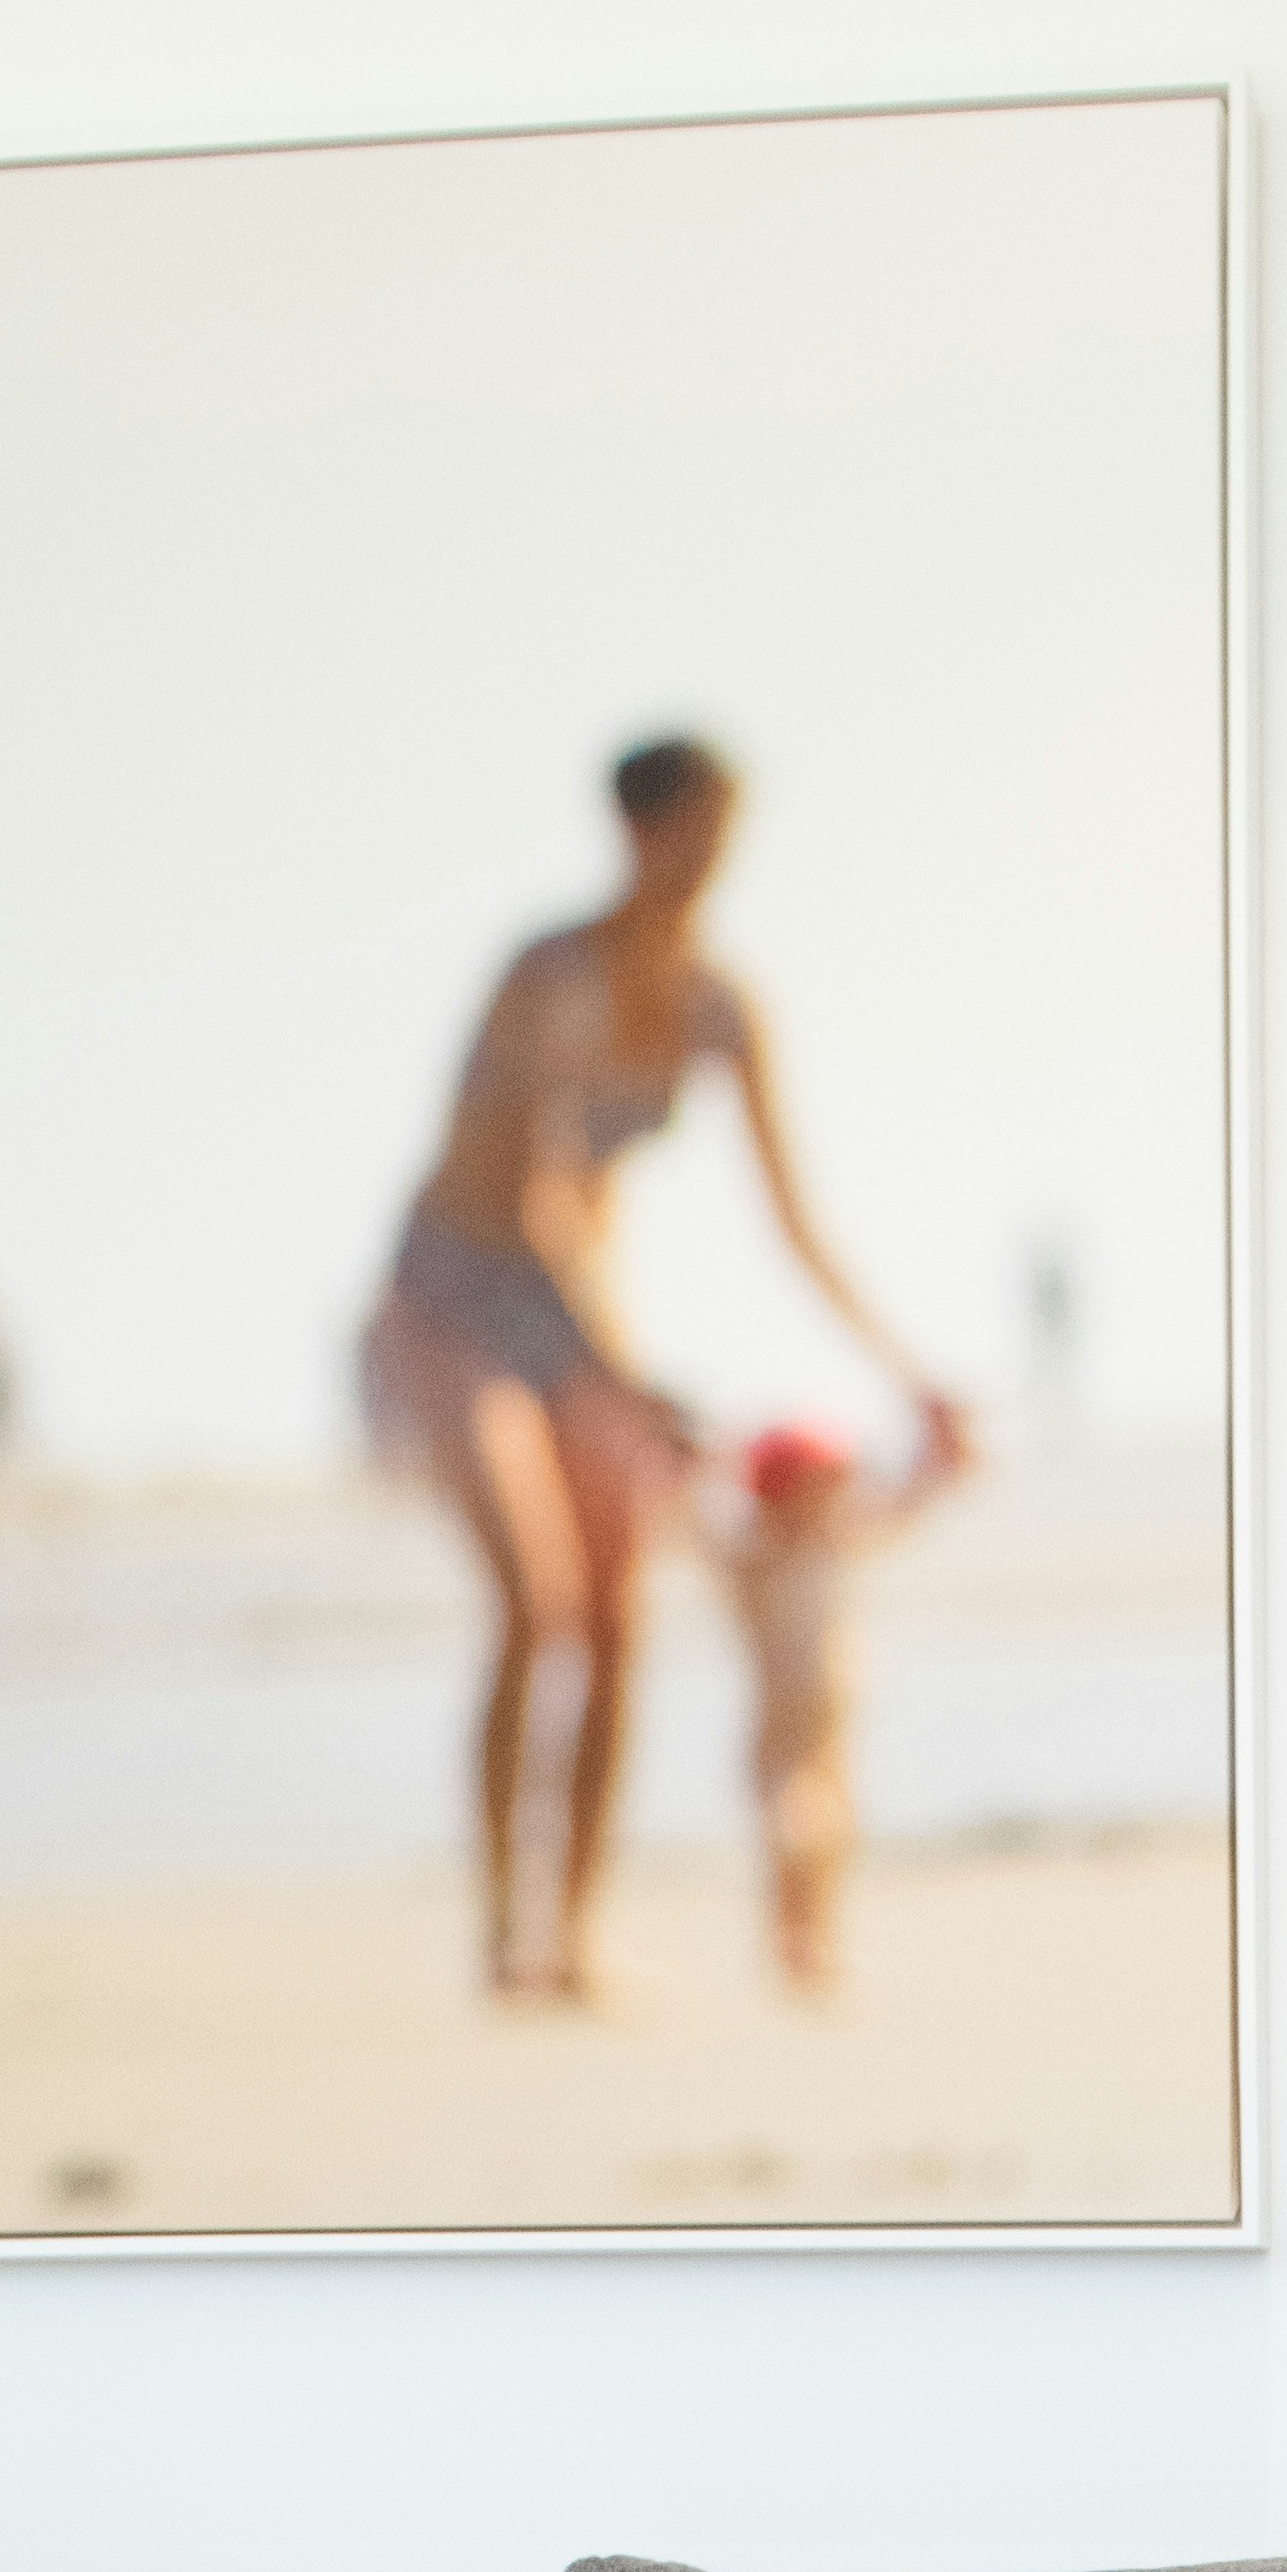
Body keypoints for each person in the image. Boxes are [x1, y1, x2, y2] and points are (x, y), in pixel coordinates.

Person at [359, 730, 959, 2008]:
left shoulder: (717, 1006)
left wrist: (912, 1373)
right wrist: (617, 1374)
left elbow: (794, 1218)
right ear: (635, 832)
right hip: (456, 1292)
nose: (705, 861)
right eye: (688, 833)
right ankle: (499, 1933)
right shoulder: (547, 975)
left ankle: (570, 1932)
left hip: (581, 1308)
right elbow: (529, 1196)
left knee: (620, 1613)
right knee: (538, 1600)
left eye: (721, 837)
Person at [709, 1399, 971, 1993]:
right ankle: (795, 1940)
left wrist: (941, 1455)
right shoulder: (757, 1555)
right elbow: (690, 1523)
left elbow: (912, 1501)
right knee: (799, 1820)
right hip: (782, 1715)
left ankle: (812, 1944)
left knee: (836, 1825)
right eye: (827, 1484)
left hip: (831, 1713)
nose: (841, 1494)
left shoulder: (829, 1540)